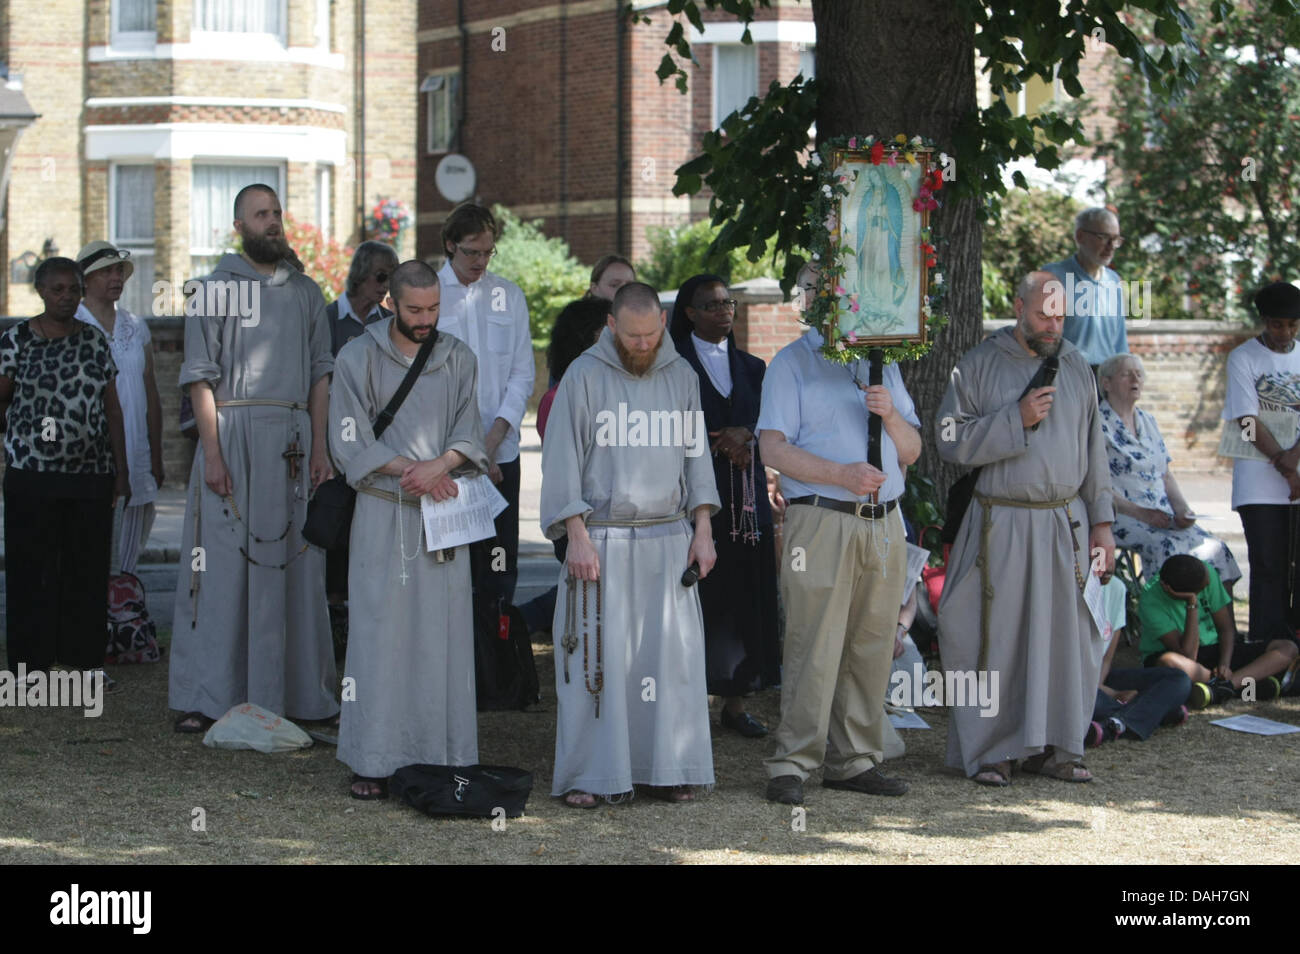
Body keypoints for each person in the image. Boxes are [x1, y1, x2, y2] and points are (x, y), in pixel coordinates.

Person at [540, 282, 719, 808]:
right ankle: (591, 775)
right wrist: (575, 535)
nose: (641, 346)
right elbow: (562, 461)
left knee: (669, 660)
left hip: (668, 537)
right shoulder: (584, 375)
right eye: (631, 336)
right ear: (611, 326)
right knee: (599, 660)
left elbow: (696, 458)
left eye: (649, 335)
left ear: (662, 323)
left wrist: (702, 529)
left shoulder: (682, 375)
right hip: (603, 539)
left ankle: (667, 766)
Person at [169, 183, 338, 733]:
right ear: (238, 225)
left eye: (277, 213)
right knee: (221, 569)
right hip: (233, 438)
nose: (273, 222)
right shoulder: (213, 290)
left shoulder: (307, 293)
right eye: (261, 214)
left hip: (292, 444)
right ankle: (210, 695)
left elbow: (321, 374)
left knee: (294, 566)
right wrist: (212, 454)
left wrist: (319, 448)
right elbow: (199, 376)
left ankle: (298, 696)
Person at [936, 270, 1115, 786]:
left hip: (1066, 524)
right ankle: (992, 751)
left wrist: (1102, 525)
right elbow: (949, 438)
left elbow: (1094, 452)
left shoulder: (1078, 365)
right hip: (1001, 523)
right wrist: (1014, 419)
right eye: (1043, 313)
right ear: (1018, 306)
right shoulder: (978, 364)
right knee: (994, 640)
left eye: (1060, 314)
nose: (1053, 324)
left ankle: (1059, 747)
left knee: (1070, 639)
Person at [758, 263, 921, 805]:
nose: (825, 298)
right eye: (814, 291)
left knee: (872, 644)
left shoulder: (886, 362)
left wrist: (891, 415)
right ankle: (793, 761)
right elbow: (773, 450)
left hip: (885, 522)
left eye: (835, 288)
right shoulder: (791, 364)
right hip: (822, 518)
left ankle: (855, 760)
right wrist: (842, 475)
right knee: (813, 641)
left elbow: (912, 451)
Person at [329, 260, 489, 799]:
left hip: (441, 511)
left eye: (434, 309)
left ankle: (442, 755)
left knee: (442, 636)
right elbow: (347, 436)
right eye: (415, 310)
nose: (426, 320)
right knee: (378, 636)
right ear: (391, 303)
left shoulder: (458, 357)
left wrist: (440, 464)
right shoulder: (357, 355)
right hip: (382, 508)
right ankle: (373, 760)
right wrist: (409, 469)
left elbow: (471, 428)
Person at [0, 258, 129, 690]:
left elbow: (113, 409)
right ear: (40, 291)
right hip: (30, 476)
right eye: (57, 290)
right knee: (30, 571)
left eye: (73, 290)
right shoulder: (16, 339)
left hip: (89, 476)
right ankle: (29, 667)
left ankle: (83, 664)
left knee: (86, 573)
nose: (66, 297)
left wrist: (121, 471)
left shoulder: (94, 341)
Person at [670, 273, 780, 737]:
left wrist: (746, 435)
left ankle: (736, 701)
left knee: (746, 595)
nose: (724, 311)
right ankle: (689, 700)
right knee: (701, 595)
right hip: (698, 497)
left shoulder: (754, 368)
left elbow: (772, 423)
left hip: (748, 498)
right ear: (689, 313)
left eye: (728, 302)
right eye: (711, 304)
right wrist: (718, 442)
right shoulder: (674, 366)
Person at [437, 203, 534, 609]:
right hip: (445, 457)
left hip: (500, 454)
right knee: (448, 564)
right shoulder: (430, 296)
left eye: (488, 252)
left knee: (497, 563)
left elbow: (521, 374)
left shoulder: (508, 296)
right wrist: (467, 450)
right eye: (471, 252)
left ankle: (496, 652)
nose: (480, 261)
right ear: (450, 246)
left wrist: (491, 443)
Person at [1099, 352, 1240, 589]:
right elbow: (1096, 484)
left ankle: (1218, 625)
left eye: (1139, 374)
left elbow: (1165, 474)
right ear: (1106, 383)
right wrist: (1142, 513)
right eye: (1126, 374)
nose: (1135, 379)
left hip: (1162, 516)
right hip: (1123, 516)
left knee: (1216, 549)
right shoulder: (1097, 424)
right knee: (1171, 552)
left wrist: (1183, 509)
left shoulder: (1148, 421)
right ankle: (1168, 622)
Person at [518, 297, 611, 638]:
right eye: (610, 330)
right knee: (588, 611)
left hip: (610, 521)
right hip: (581, 522)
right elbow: (570, 466)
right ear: (588, 338)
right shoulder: (559, 398)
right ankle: (520, 623)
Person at [323, 241, 399, 654]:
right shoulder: (328, 320)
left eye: (391, 278)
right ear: (361, 274)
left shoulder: (389, 323)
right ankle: (334, 622)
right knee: (336, 534)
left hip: (380, 447)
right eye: (380, 277)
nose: (385, 286)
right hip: (338, 445)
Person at [74, 241, 164, 577]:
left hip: (137, 449)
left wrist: (156, 456)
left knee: (130, 546)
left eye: (118, 271)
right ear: (85, 280)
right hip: (94, 456)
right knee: (93, 545)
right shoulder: (74, 326)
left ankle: (121, 617)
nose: (116, 278)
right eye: (106, 271)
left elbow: (150, 392)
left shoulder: (135, 326)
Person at [1222, 281, 1300, 651]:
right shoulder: (1243, 358)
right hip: (1258, 480)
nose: (1285, 332)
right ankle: (1267, 643)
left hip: (1296, 474)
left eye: (1293, 324)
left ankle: (1294, 645)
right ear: (1264, 321)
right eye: (1278, 324)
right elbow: (1246, 419)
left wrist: (1295, 458)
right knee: (1269, 564)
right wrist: (1286, 467)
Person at [1140, 554, 1296, 704]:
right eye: (1200, 591)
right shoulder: (1150, 600)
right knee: (1169, 662)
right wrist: (1192, 604)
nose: (1208, 586)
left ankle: (1225, 687)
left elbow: (1226, 629)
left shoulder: (1205, 571)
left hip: (1216, 651)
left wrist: (1224, 664)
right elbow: (1188, 655)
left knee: (1287, 648)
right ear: (1174, 591)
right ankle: (1244, 686)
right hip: (1182, 658)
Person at [1086, 577, 1191, 745]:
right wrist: (1111, 693)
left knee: (1179, 679)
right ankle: (1156, 712)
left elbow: (1106, 659)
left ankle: (1119, 723)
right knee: (1082, 700)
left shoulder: (1116, 588)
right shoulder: (1069, 584)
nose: (1107, 557)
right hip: (1075, 684)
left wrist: (1104, 688)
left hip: (1099, 679)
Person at [1042, 207, 1129, 371]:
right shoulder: (1052, 277)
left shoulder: (1114, 281)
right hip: (1065, 378)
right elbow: (1037, 337)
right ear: (1080, 236)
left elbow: (1120, 343)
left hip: (1106, 381)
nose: (1111, 246)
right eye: (1103, 237)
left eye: (1116, 239)